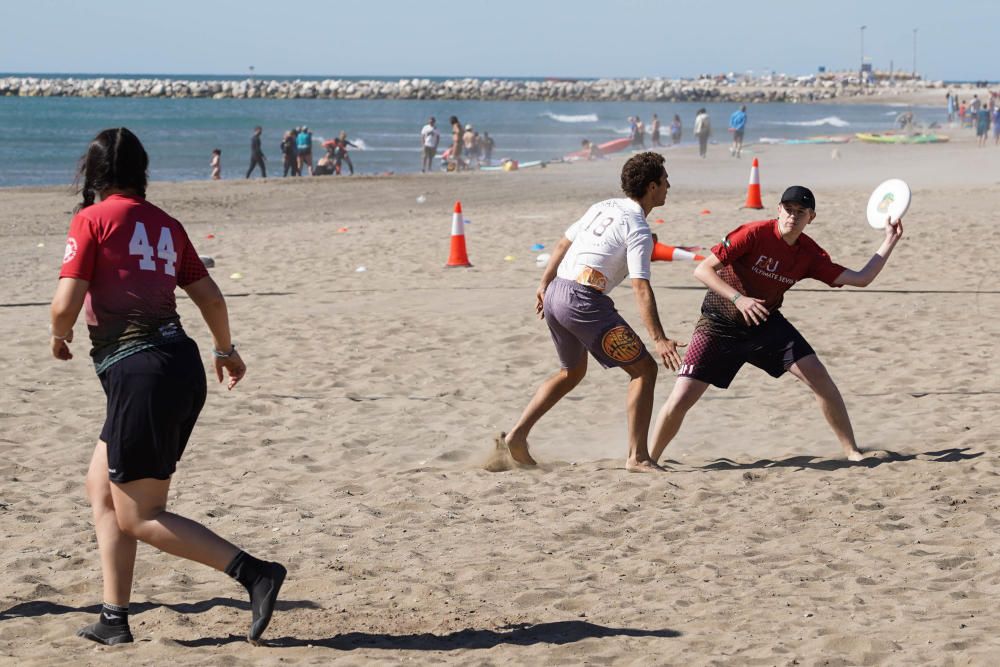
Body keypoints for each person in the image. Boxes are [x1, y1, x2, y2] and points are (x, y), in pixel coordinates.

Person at [50, 128, 286, 646]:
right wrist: (226, 350)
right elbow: (212, 299)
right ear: (142, 170)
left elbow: (65, 303)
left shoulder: (92, 220)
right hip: (179, 366)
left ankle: (255, 573)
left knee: (140, 514)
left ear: (93, 173)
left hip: (143, 375)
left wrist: (59, 335)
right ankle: (114, 618)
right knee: (103, 490)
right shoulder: (167, 226)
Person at [649, 186, 905, 464]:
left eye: (800, 212)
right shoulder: (753, 233)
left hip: (765, 324)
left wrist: (889, 239)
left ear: (811, 217)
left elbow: (862, 278)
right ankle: (648, 459)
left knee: (819, 377)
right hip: (719, 322)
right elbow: (702, 270)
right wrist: (739, 299)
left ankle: (851, 451)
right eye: (788, 209)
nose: (793, 216)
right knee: (682, 396)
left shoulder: (810, 254)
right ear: (778, 210)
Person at [498, 152, 685, 473]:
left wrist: (544, 284)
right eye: (665, 180)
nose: (669, 185)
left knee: (571, 372)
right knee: (644, 371)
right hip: (583, 300)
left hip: (557, 292)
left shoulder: (603, 206)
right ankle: (638, 457)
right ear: (652, 186)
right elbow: (641, 286)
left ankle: (517, 435)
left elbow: (562, 244)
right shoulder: (637, 226)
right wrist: (659, 338)